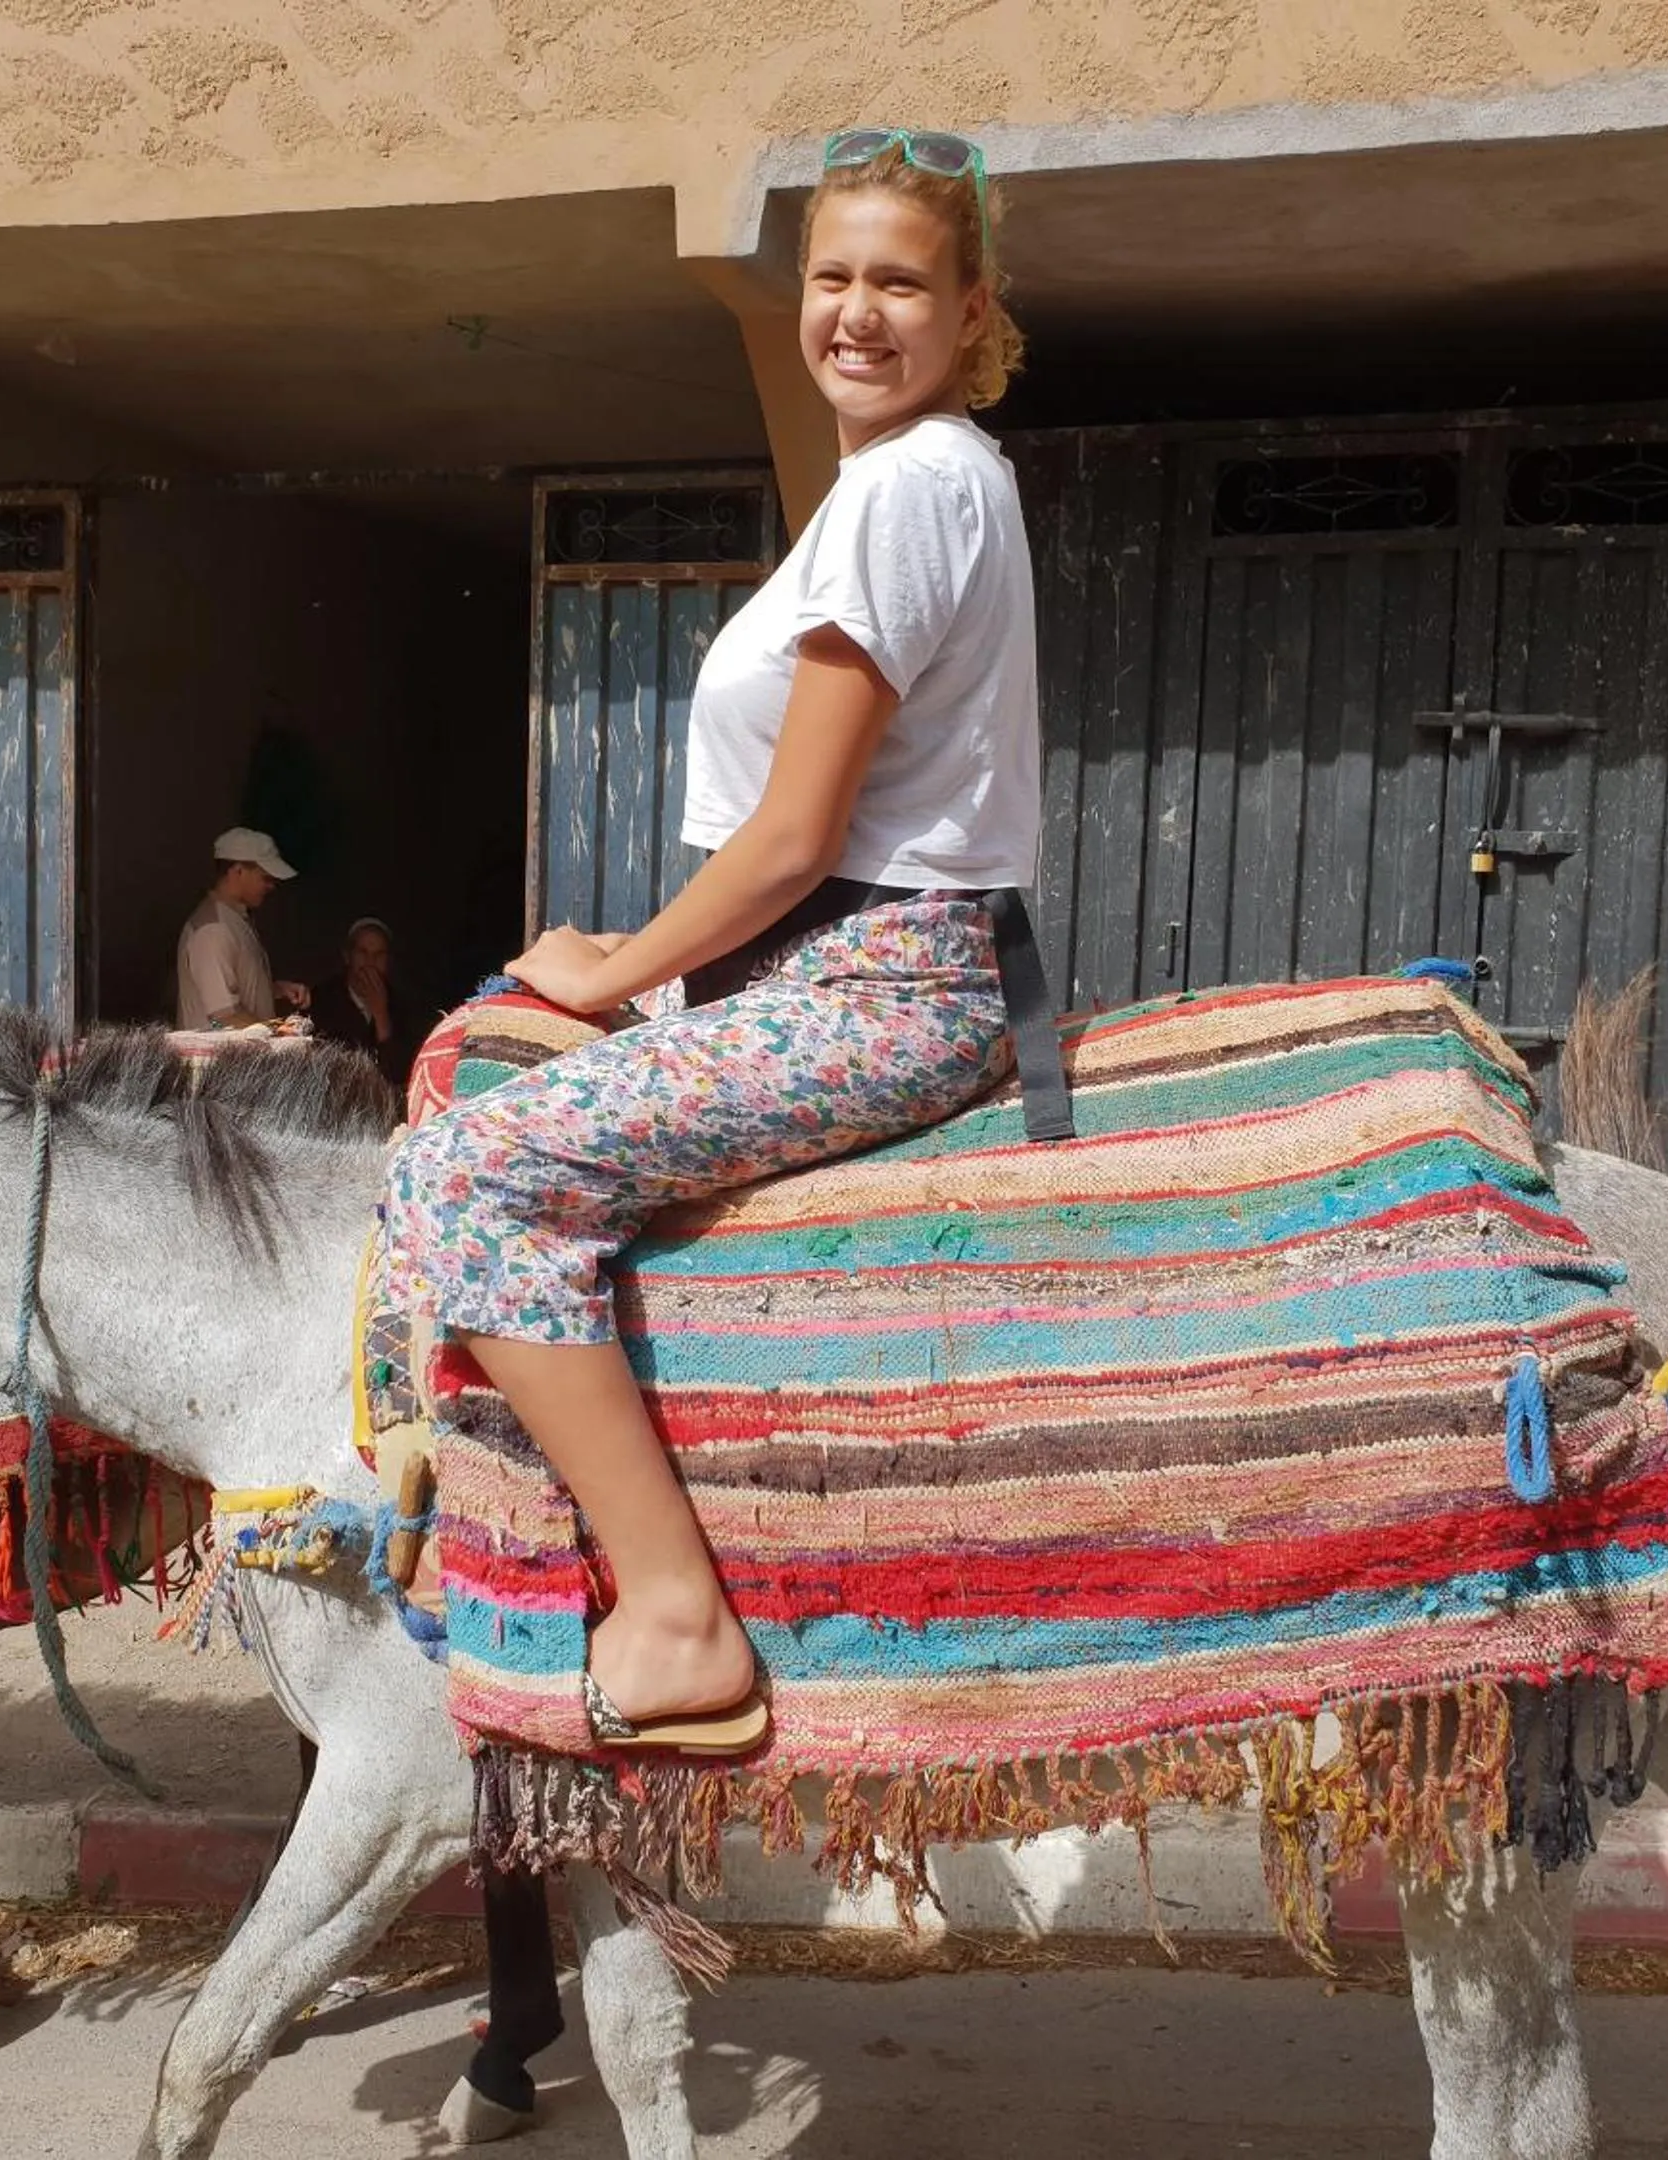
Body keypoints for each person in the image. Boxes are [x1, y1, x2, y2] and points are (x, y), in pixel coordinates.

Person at [384, 129, 1038, 1752]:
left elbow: (802, 837)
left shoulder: (906, 491)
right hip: (845, 961)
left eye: (901, 281)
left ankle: (679, 1616)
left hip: (874, 984)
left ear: (970, 312)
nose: (859, 313)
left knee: (470, 1172)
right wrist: (652, 964)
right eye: (834, 277)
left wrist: (609, 976)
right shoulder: (913, 486)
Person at [174, 826, 312, 1031]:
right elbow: (222, 1018)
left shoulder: (235, 919)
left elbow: (228, 989)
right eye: (265, 878)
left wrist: (274, 989)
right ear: (237, 871)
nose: (271, 886)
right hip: (219, 1062)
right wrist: (281, 1034)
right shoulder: (213, 930)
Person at [307, 915, 423, 1091]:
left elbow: (399, 1074)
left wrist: (381, 1015)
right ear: (347, 956)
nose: (370, 963)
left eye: (378, 955)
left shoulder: (401, 1006)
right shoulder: (320, 1000)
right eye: (362, 953)